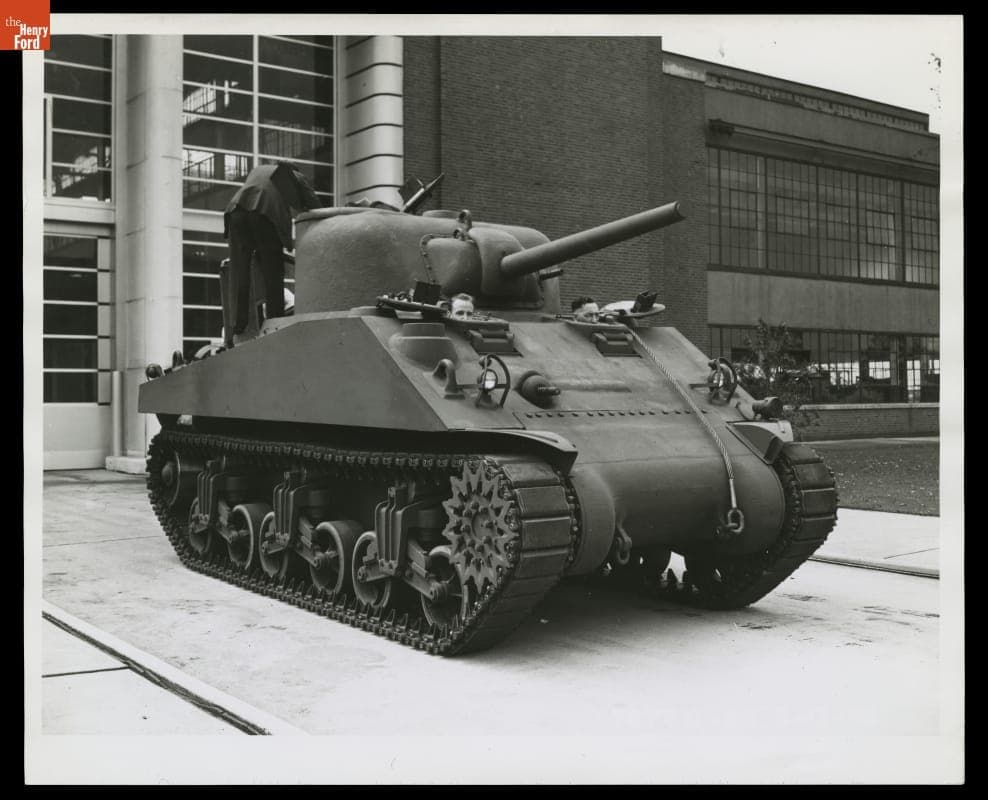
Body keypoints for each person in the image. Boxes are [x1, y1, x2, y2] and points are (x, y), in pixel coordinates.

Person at [222, 162, 321, 347]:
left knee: (239, 271)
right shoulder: (290, 173)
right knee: (273, 273)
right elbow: (314, 204)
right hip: (264, 212)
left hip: (235, 211)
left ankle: (238, 326)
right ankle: (275, 322)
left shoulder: (260, 170)